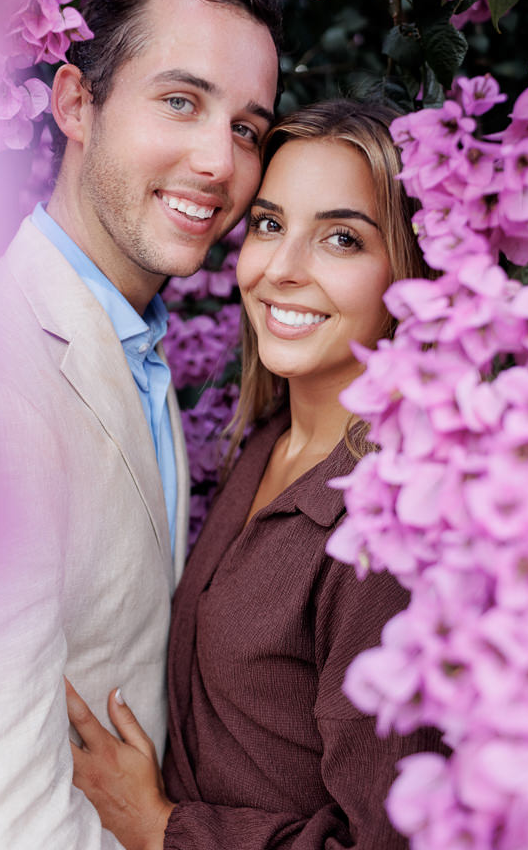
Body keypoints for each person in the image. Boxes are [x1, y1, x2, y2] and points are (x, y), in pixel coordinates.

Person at [0, 0, 281, 849]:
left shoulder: (130, 348)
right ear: (76, 104)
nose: (217, 161)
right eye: (180, 102)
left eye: (248, 128)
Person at [65, 97, 444, 849]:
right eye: (269, 224)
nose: (280, 269)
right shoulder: (266, 445)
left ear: (412, 270)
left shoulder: (388, 529)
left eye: (341, 238)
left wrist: (161, 827)